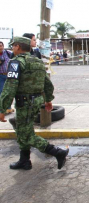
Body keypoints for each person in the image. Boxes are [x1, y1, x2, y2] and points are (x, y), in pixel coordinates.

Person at [0, 36, 69, 170]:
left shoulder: (16, 62)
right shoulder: (37, 62)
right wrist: (48, 99)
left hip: (24, 102)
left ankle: (57, 152)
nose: (12, 48)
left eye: (13, 46)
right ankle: (24, 160)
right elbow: (47, 83)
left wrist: (2, 108)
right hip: (36, 101)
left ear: (18, 47)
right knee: (24, 129)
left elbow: (9, 88)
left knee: (26, 134)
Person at [0, 41, 14, 114]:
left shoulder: (8, 53)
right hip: (0, 76)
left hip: (9, 75)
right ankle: (2, 108)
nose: (0, 47)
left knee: (10, 92)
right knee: (2, 92)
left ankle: (8, 107)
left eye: (1, 46)